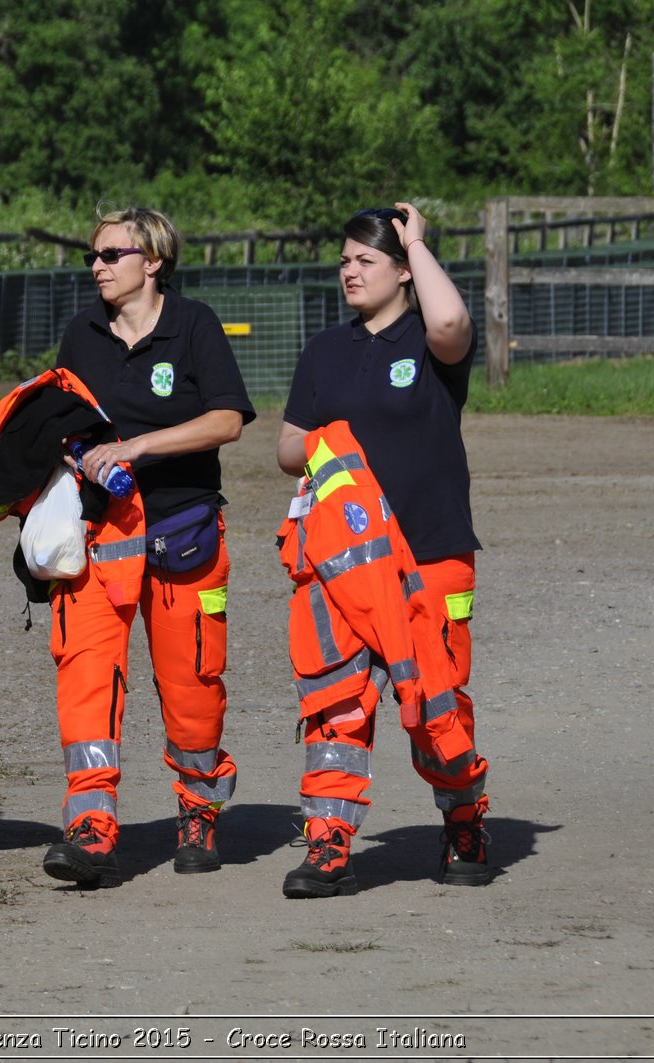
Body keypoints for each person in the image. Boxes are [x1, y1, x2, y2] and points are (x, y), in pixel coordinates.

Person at [276, 202, 491, 896]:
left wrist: (419, 243)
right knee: (336, 701)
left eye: (366, 260)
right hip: (343, 562)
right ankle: (329, 840)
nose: (350, 271)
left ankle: (463, 820)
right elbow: (287, 447)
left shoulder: (431, 346)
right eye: (344, 261)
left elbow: (454, 324)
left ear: (403, 273)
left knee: (438, 701)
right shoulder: (325, 352)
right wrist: (328, 446)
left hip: (432, 551)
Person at [41, 205, 255, 886]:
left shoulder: (194, 324)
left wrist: (137, 445)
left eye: (111, 255)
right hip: (100, 535)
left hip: (182, 531)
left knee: (192, 688)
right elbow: (63, 425)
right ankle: (91, 824)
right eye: (93, 257)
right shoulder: (82, 333)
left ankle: (198, 810)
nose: (97, 267)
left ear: (153, 260)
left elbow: (226, 420)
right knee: (84, 678)